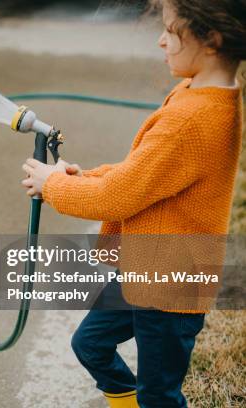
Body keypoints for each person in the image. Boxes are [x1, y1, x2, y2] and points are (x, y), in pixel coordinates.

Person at [20, 1, 245, 407]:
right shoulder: (200, 93)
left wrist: (52, 186)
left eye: (171, 30)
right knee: (90, 344)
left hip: (171, 288)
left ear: (211, 39)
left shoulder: (193, 119)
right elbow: (142, 176)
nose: (161, 39)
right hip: (147, 269)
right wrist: (84, 177)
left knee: (159, 395)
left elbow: (115, 197)